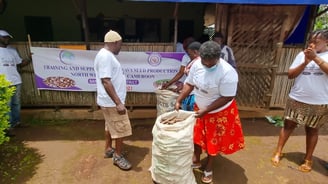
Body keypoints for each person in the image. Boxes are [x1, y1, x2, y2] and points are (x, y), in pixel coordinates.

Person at [175, 41, 245, 183]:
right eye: (204, 62)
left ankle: (209, 167)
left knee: (213, 140)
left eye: (210, 63)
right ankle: (196, 158)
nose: (206, 65)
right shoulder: (196, 64)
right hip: (199, 108)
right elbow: (189, 83)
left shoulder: (228, 72)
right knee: (196, 136)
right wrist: (179, 100)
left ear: (218, 58)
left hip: (218, 112)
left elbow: (228, 96)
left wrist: (206, 110)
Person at [271, 29, 328, 173]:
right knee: (288, 125)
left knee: (312, 129)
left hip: (319, 101)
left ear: (326, 42)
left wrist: (315, 58)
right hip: (297, 97)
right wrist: (304, 63)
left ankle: (308, 159)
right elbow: (290, 75)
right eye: (310, 41)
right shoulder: (301, 55)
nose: (311, 44)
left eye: (316, 42)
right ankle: (278, 151)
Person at [94, 30, 132, 170]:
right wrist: (118, 103)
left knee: (110, 125)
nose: (120, 47)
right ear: (115, 43)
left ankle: (108, 149)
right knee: (120, 128)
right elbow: (106, 81)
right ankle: (117, 156)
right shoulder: (106, 57)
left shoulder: (105, 55)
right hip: (112, 103)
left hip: (108, 102)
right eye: (120, 44)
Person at [0, 30, 30, 132]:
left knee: (16, 103)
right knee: (6, 105)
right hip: (3, 82)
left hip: (16, 80)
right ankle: (8, 127)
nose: (6, 39)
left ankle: (16, 122)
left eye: (7, 37)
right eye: (4, 37)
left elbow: (20, 63)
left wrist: (29, 58)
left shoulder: (12, 51)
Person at [161, 37, 195, 110]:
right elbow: (180, 73)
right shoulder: (186, 57)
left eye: (188, 51)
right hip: (188, 91)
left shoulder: (201, 60)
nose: (188, 53)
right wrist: (169, 83)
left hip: (196, 93)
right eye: (186, 51)